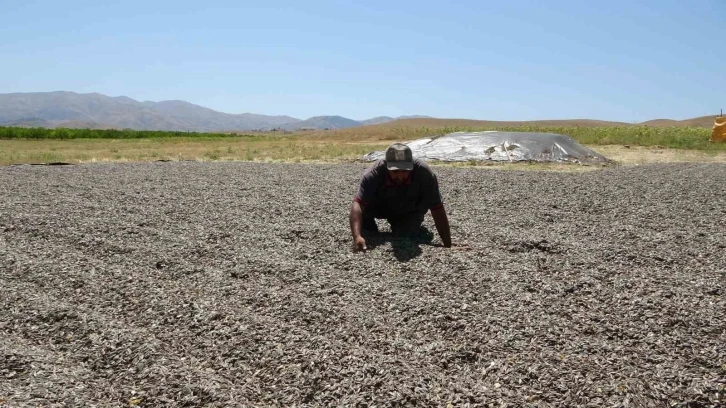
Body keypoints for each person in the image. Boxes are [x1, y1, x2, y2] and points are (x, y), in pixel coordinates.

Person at [349, 142, 452, 252]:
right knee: (368, 233)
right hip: (379, 207)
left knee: (404, 237)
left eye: (405, 170)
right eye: (395, 171)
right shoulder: (373, 174)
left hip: (408, 210)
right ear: (386, 165)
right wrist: (357, 236)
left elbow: (437, 208)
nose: (400, 175)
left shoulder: (425, 174)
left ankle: (413, 227)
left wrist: (448, 245)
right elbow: (358, 204)